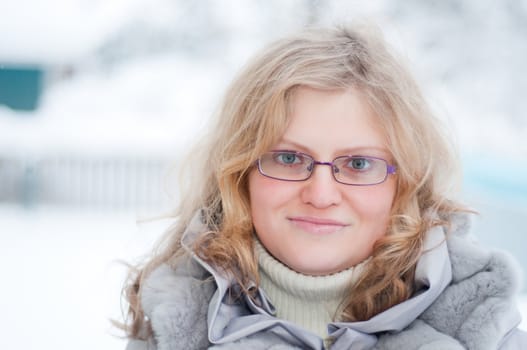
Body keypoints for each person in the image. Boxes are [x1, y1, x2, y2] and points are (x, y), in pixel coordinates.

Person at [121, 24, 527, 349]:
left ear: (404, 181)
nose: (320, 194)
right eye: (288, 158)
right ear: (239, 172)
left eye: (358, 164)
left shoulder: (485, 332)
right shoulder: (171, 330)